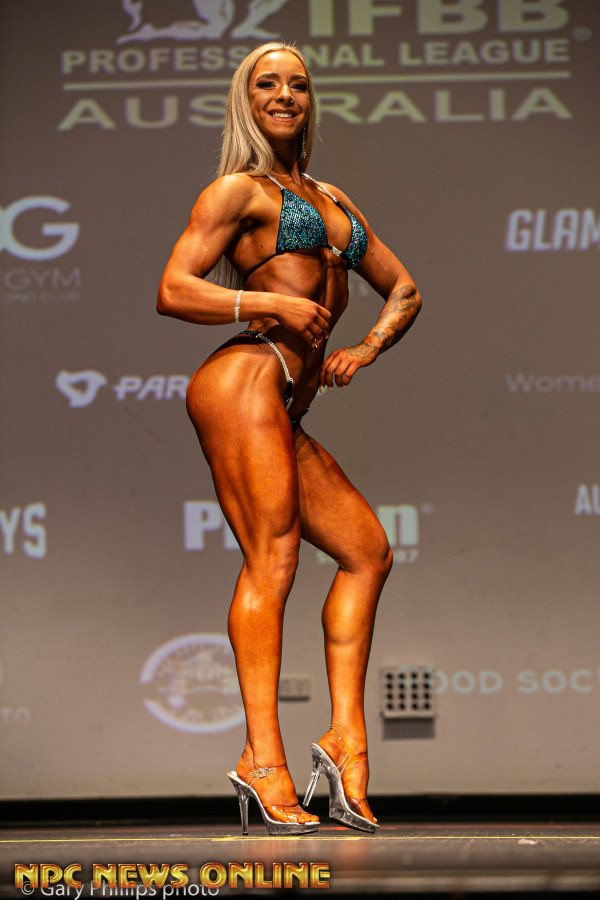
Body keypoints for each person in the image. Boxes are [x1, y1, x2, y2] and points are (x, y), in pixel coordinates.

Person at [157, 42, 421, 835]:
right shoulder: (236, 190)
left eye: (297, 84)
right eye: (266, 83)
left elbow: (404, 290)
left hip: (284, 401)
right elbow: (172, 288)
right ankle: (262, 759)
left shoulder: (329, 198)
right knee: (272, 560)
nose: (284, 95)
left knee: (368, 551)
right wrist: (264, 305)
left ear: (311, 100)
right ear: (246, 100)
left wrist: (365, 347)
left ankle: (344, 745)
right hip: (243, 381)